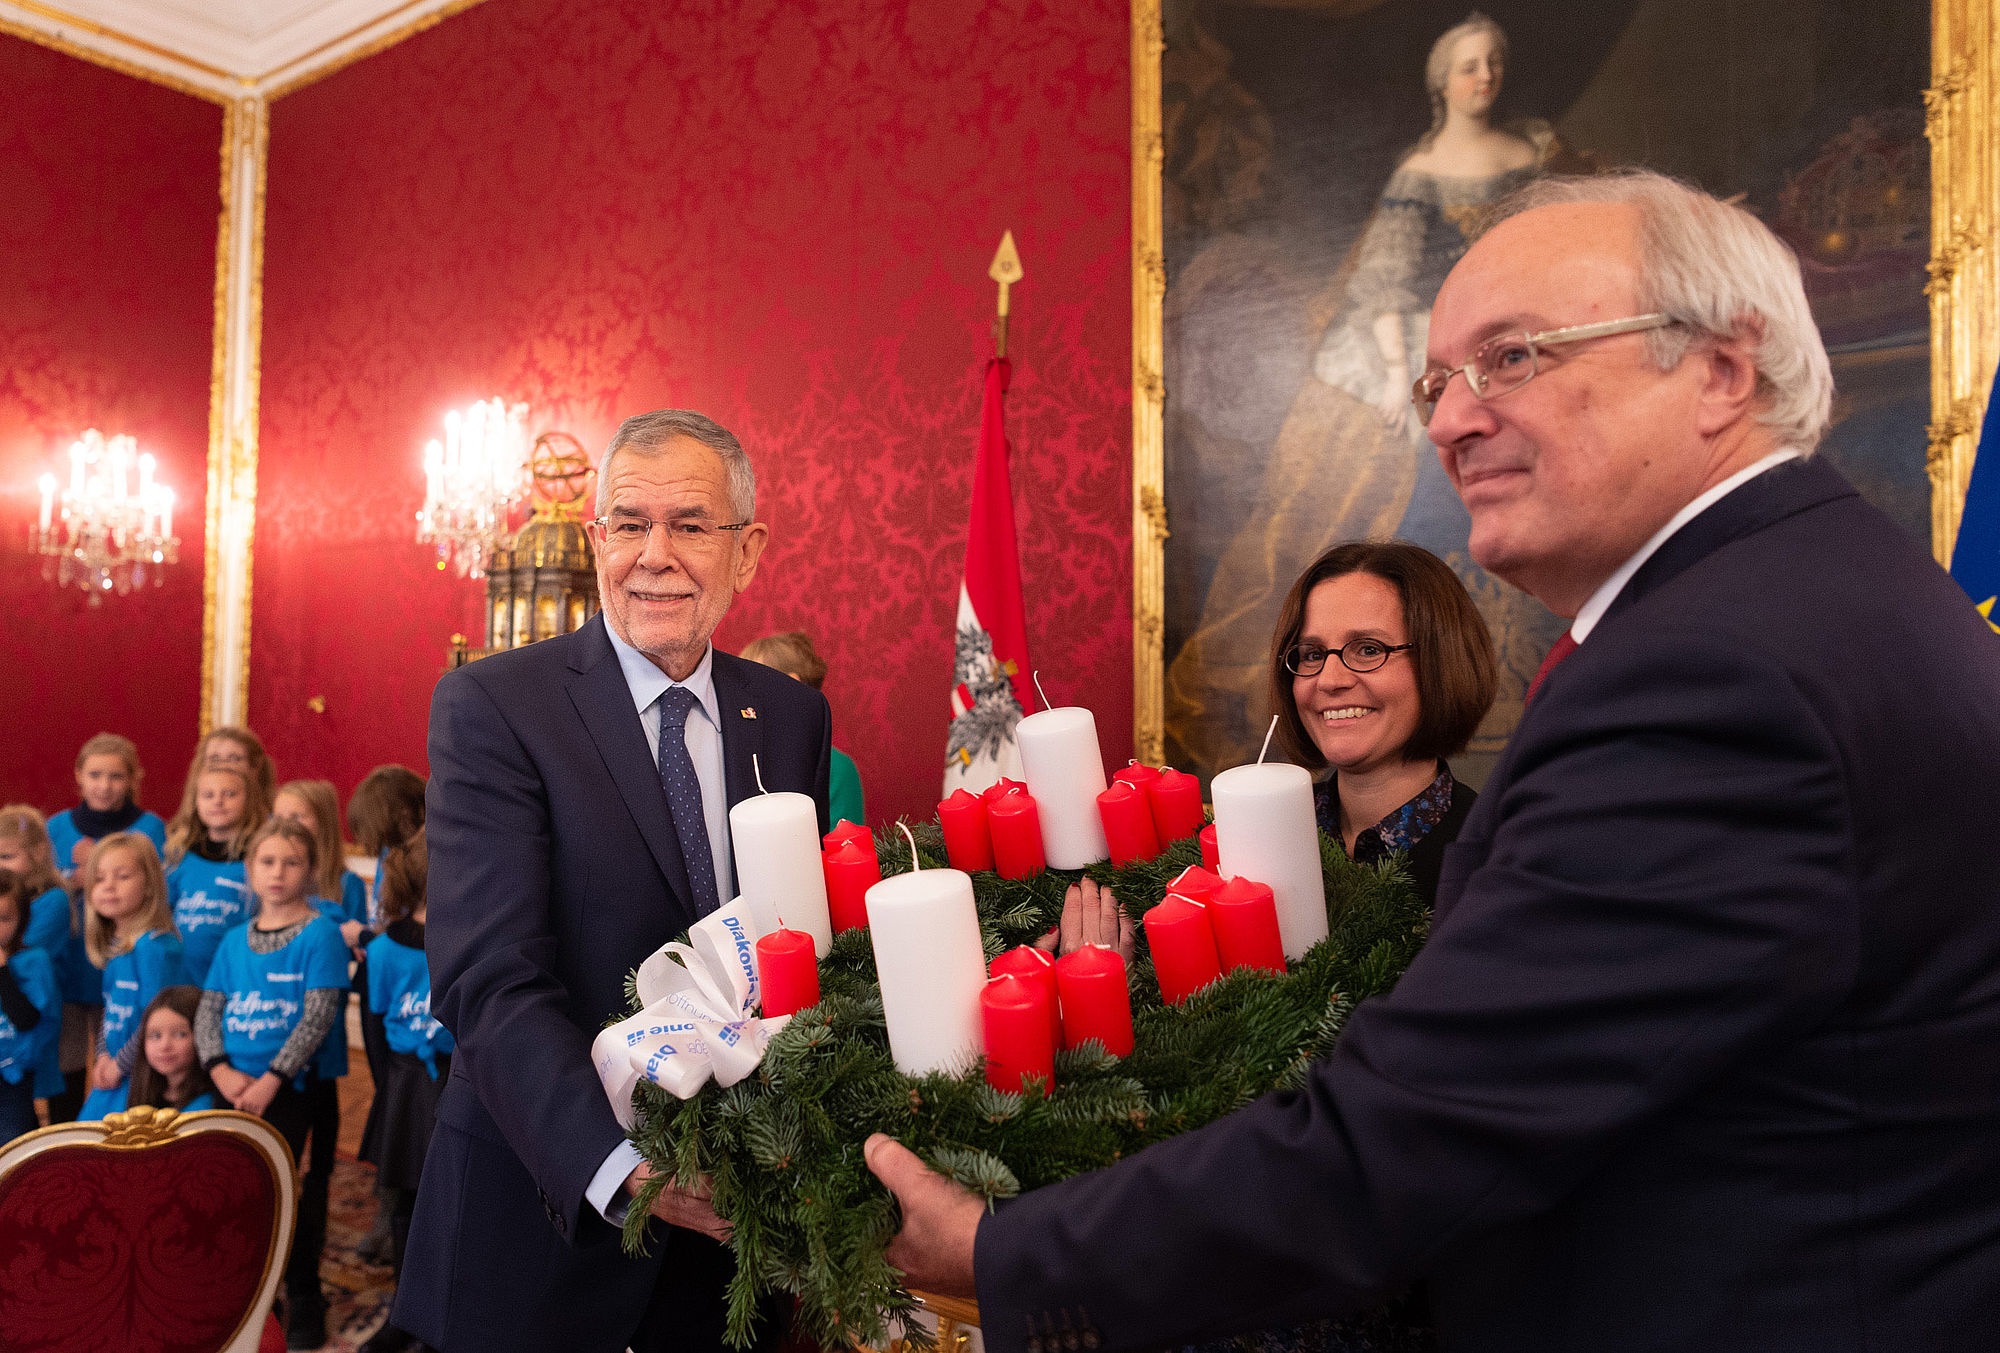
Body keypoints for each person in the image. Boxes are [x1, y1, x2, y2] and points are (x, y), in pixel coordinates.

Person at [866, 170, 2000, 1351]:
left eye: (1511, 358)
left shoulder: (1718, 674)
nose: (1449, 421)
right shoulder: (1813, 591)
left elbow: (1421, 1132)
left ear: (1720, 369)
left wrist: (1008, 1256)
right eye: (1436, 380)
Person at [396, 409, 833, 1353]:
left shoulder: (790, 716)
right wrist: (623, 1166)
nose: (653, 554)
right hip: (544, 1229)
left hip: (734, 1252)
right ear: (598, 539)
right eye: (629, 523)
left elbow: (798, 946)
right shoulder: (494, 706)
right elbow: (489, 978)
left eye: (689, 524)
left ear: (748, 551)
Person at [1172, 12, 1563, 780]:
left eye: (1492, 62)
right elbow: (1385, 280)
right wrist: (1395, 375)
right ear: (1442, 81)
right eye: (1468, 66)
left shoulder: (1531, 158)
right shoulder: (1420, 173)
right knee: (1393, 487)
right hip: (1420, 340)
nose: (1483, 77)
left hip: (1520, 341)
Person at [199, 816, 350, 1349]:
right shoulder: (232, 940)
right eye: (267, 861)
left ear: (311, 870)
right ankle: (247, 1293)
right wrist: (220, 1069)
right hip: (231, 1087)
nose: (278, 872)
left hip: (291, 1090)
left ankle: (303, 1292)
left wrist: (271, 1080)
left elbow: (318, 1015)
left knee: (293, 1193)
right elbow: (209, 1010)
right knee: (236, 1190)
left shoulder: (320, 934)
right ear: (250, 869)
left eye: (292, 862)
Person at [358, 831, 451, 1353]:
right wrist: (389, 1089)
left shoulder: (467, 936)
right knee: (406, 1202)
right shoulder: (385, 948)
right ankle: (405, 1312)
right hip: (405, 1086)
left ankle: (444, 1317)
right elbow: (373, 1028)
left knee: (452, 1199)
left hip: (460, 1082)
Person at [78, 834, 186, 1120]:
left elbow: (156, 1023)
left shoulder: (155, 948)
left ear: (149, 885)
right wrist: (102, 1056)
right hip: (116, 1073)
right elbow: (110, 1010)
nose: (108, 886)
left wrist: (119, 1065)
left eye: (123, 876)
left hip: (143, 1078)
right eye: (99, 879)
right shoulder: (118, 946)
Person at [741, 631, 866, 827]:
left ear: (791, 686)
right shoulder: (743, 759)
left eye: (752, 684)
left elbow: (843, 842)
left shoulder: (837, 768)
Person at [165, 764, 260, 986]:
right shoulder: (180, 858)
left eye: (230, 794)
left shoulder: (258, 860)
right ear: (195, 802)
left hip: (236, 977)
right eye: (208, 795)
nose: (218, 801)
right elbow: (162, 914)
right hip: (182, 978)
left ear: (249, 800)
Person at [46, 733, 169, 874]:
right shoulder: (54, 828)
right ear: (79, 776)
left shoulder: (152, 829)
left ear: (131, 779)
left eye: (116, 776)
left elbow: (159, 884)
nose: (105, 786)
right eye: (94, 775)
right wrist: (69, 883)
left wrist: (96, 861)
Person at [0, 868, 63, 1143]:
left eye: (4, 919)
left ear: (22, 921)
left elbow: (28, 1019)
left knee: (14, 1144)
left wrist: (3, 971)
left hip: (15, 1076)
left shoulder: (34, 962)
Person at [275, 779, 369, 944]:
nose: (286, 825)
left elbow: (358, 945)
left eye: (296, 816)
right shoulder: (271, 877)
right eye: (278, 818)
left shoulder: (348, 883)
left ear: (323, 822)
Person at [123, 985, 218, 1113]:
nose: (165, 1046)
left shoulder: (207, 1105)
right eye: (156, 1036)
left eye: (180, 1034)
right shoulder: (140, 1094)